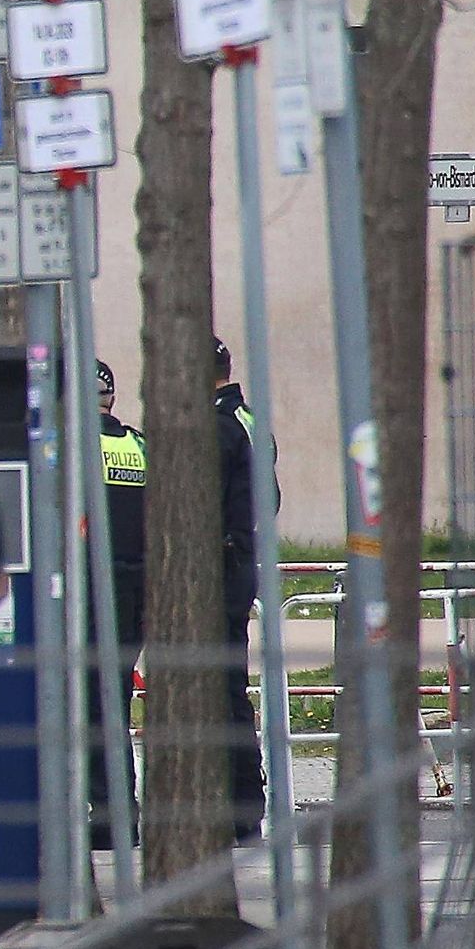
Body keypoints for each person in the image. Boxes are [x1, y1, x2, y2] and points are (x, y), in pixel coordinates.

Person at [92, 358, 150, 844]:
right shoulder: (137, 446)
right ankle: (122, 813)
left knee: (92, 705)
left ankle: (106, 818)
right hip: (137, 591)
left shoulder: (75, 449)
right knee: (116, 700)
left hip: (95, 590)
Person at [215, 339, 269, 837]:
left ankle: (240, 806)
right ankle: (248, 801)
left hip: (221, 564)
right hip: (244, 558)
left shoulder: (217, 426)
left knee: (220, 689)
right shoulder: (252, 419)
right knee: (232, 685)